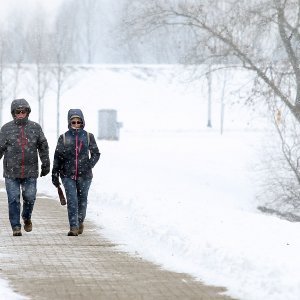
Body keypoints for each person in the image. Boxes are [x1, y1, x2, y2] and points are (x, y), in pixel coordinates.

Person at [0, 99, 50, 236]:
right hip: (11, 172)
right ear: (13, 113)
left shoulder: (35, 127)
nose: (21, 114)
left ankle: (26, 217)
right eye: (18, 112)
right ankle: (16, 226)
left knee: (29, 197)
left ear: (28, 112)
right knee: (13, 199)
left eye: (24, 111)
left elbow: (43, 146)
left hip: (30, 170)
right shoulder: (6, 129)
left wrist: (46, 163)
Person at [52, 109, 100, 236]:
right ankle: (73, 226)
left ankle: (80, 221)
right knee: (72, 200)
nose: (76, 124)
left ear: (83, 122)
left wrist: (89, 165)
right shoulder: (63, 137)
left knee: (82, 200)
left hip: (85, 176)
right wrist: (54, 173)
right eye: (73, 121)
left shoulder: (89, 136)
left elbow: (96, 153)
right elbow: (57, 156)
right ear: (69, 122)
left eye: (79, 121)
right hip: (67, 175)